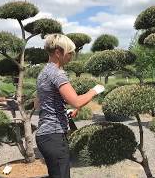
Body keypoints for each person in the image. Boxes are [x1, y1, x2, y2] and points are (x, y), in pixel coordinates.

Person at [35, 34, 105, 178]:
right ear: (58, 52)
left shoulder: (43, 73)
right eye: (70, 52)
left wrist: (64, 111)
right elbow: (77, 101)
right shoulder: (57, 74)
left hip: (45, 135)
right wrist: (95, 90)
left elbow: (38, 104)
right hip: (54, 136)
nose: (72, 56)